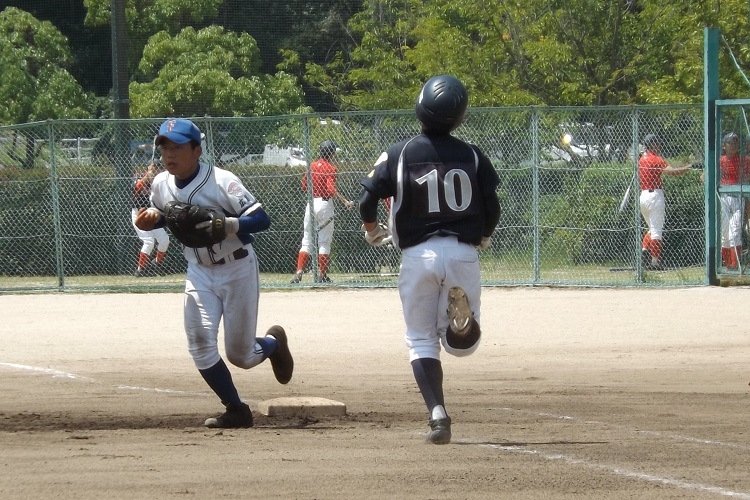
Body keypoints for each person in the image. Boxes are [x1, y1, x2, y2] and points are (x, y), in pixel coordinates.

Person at [358, 75, 501, 445]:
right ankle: (460, 327)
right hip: (462, 251)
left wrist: (372, 229)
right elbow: (493, 205)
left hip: (417, 255)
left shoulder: (399, 152)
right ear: (460, 117)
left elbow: (367, 200)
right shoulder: (472, 155)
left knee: (420, 340)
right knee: (462, 348)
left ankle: (438, 415)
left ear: (420, 107)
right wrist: (484, 235)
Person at [134, 118, 294, 428]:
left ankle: (274, 344)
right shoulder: (161, 184)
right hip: (199, 271)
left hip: (237, 268)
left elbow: (261, 219)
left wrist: (230, 223)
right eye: (164, 147)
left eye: (178, 147)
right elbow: (168, 215)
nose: (169, 154)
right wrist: (152, 218)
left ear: (197, 151)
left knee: (241, 356)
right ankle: (236, 408)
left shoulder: (222, 180)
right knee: (199, 342)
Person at [290, 140, 354, 284]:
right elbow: (330, 189)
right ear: (331, 153)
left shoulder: (312, 165)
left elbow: (304, 185)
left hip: (311, 203)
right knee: (324, 240)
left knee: (307, 239)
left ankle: (299, 272)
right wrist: (344, 201)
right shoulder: (331, 168)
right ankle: (322, 275)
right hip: (324, 204)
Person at [638, 133, 692, 271]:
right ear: (652, 144)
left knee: (652, 229)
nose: (659, 145)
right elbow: (673, 172)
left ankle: (644, 250)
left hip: (643, 196)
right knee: (656, 230)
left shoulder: (641, 159)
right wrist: (688, 167)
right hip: (655, 195)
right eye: (657, 143)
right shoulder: (656, 159)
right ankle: (655, 262)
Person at [716, 132, 749, 269]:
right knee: (724, 233)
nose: (734, 144)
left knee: (734, 232)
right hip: (724, 197)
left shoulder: (744, 160)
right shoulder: (720, 161)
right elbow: (704, 177)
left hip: (738, 197)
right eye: (730, 142)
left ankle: (736, 265)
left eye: (735, 142)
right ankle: (728, 264)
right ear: (724, 145)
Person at [131, 157, 170, 277]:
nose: (156, 170)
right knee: (149, 241)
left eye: (158, 168)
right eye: (154, 167)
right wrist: (147, 178)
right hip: (139, 214)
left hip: (153, 214)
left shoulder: (159, 182)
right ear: (148, 168)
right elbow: (134, 191)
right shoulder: (139, 178)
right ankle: (140, 270)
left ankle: (156, 264)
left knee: (164, 240)